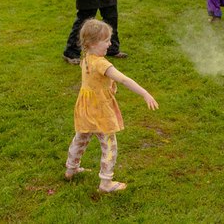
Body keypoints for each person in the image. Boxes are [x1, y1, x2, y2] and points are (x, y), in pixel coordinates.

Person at [65, 19, 158, 193]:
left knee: (81, 137)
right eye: (106, 40)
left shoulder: (86, 58)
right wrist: (145, 93)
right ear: (92, 43)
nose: (110, 44)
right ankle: (106, 182)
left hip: (85, 107)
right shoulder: (102, 63)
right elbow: (123, 79)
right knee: (109, 144)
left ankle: (71, 168)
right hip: (100, 110)